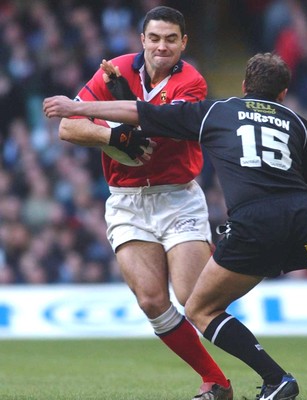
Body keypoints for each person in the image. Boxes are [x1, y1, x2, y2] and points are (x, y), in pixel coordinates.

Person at [44, 52, 307, 400]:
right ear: (283, 93)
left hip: (254, 225)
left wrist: (76, 109)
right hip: (305, 222)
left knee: (199, 308)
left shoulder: (217, 111)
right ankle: (240, 380)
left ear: (243, 87)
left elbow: (141, 113)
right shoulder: (297, 122)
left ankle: (277, 378)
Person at [45, 5, 233, 400]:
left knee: (192, 297)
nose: (161, 47)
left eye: (170, 39)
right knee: (151, 300)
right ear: (142, 40)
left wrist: (106, 117)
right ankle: (216, 382)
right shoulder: (116, 68)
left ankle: (264, 363)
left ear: (184, 43)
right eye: (154, 38)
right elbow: (67, 127)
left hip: (178, 197)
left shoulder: (192, 82)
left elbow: (158, 128)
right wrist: (113, 138)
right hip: (127, 200)